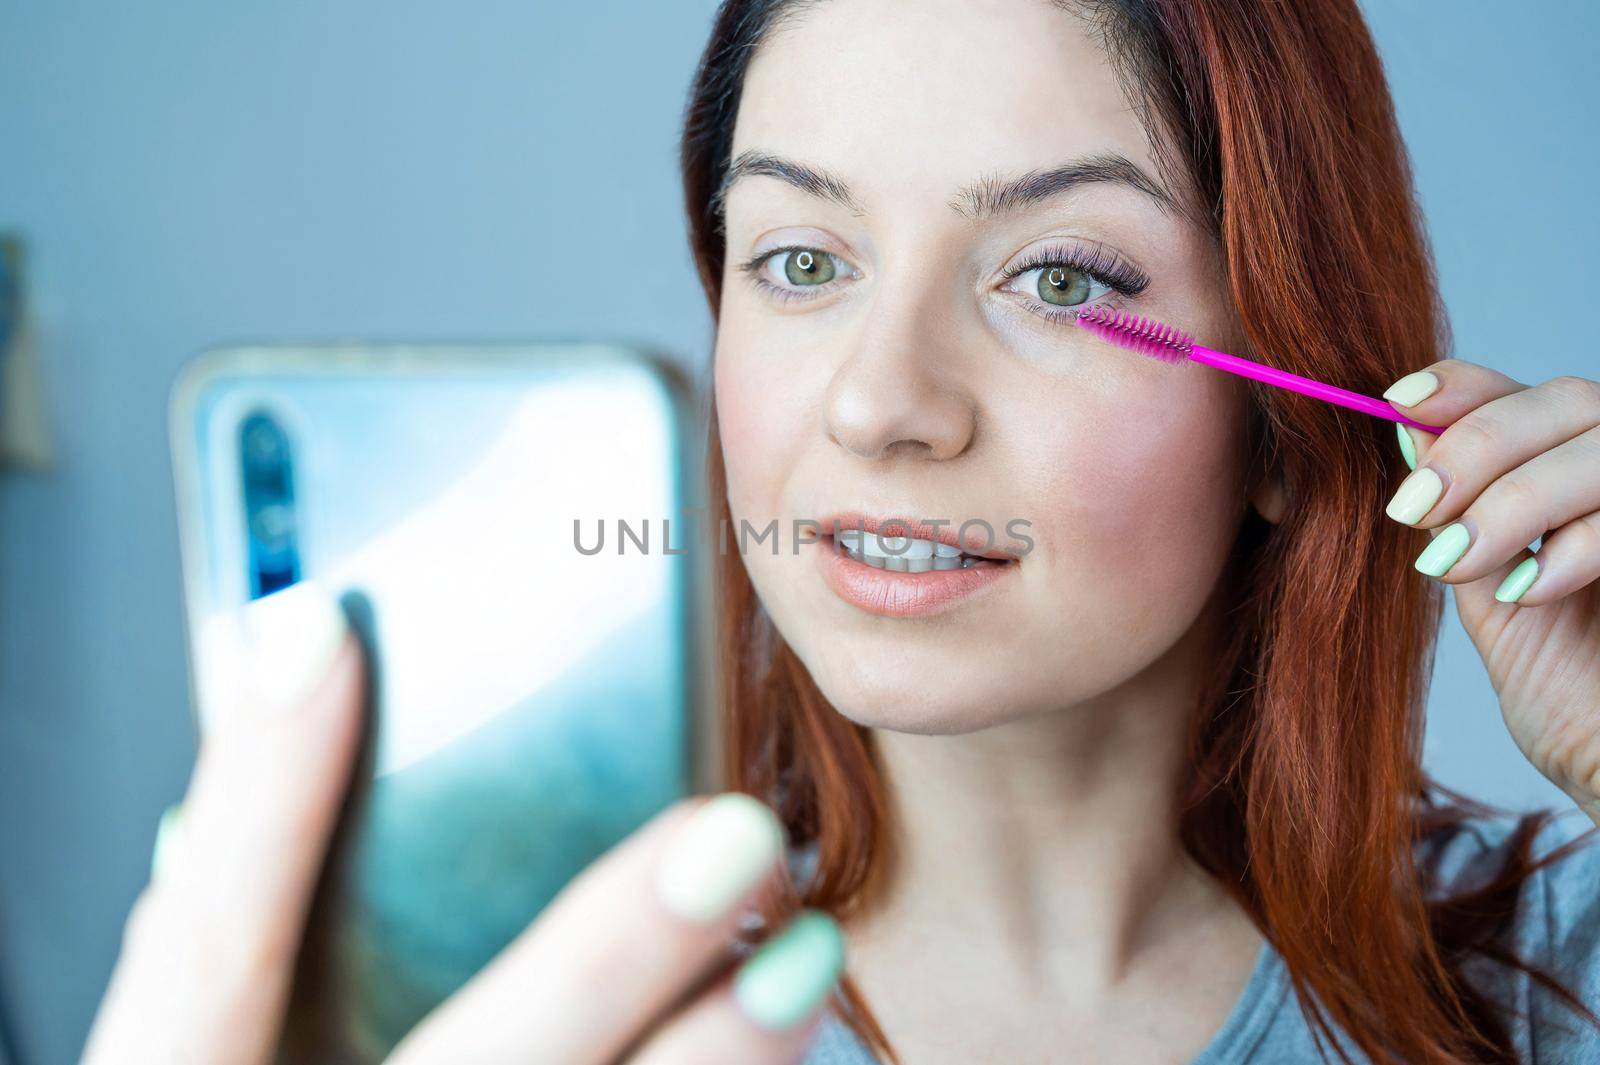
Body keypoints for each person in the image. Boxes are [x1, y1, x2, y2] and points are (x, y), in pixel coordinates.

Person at [86, 1, 1600, 1063]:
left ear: (1283, 414)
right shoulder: (537, 1012)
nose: (882, 403)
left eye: (1062, 278)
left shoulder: (1555, 971)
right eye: (802, 258)